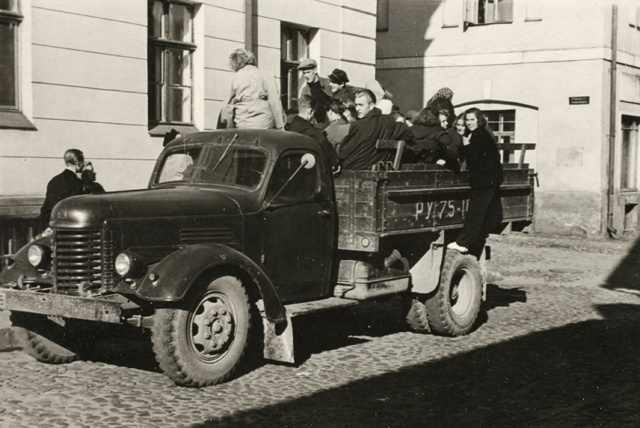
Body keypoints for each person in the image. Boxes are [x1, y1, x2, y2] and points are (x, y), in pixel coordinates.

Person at [447, 107, 504, 255]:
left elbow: (475, 160)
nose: (469, 122)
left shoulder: (478, 134)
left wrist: (466, 146)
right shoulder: (482, 133)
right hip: (490, 179)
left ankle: (462, 243)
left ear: (479, 120)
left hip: (484, 180)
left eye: (472, 120)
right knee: (482, 214)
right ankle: (471, 242)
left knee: (475, 212)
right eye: (467, 120)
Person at [337, 89, 413, 170]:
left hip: (358, 169)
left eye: (361, 105)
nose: (357, 109)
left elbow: (343, 153)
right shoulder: (389, 120)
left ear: (371, 106)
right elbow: (408, 135)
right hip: (381, 167)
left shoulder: (358, 125)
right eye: (356, 105)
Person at [223, 48, 284, 130]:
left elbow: (227, 107)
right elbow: (275, 102)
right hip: (264, 122)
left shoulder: (233, 78)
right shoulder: (266, 75)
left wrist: (229, 127)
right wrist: (280, 126)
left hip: (241, 122)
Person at [285, 95, 338, 168]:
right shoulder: (307, 129)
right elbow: (322, 141)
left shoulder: (291, 125)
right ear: (310, 111)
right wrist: (335, 161)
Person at [39, 149, 85, 229]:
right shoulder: (77, 183)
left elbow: (48, 206)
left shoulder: (54, 180)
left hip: (50, 222)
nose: (83, 165)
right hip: (66, 225)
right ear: (78, 163)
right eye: (82, 163)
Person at [298, 58, 333, 128]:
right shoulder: (304, 91)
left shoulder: (328, 83)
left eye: (308, 72)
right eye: (304, 73)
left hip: (330, 124)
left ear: (315, 70)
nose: (306, 76)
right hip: (316, 126)